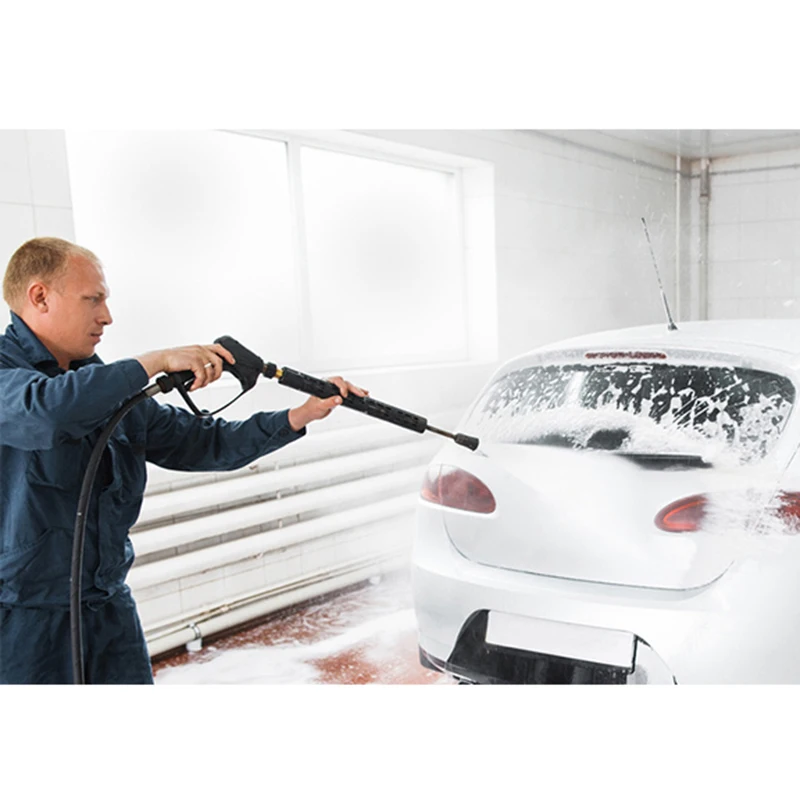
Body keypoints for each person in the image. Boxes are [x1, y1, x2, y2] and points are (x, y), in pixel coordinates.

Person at [0, 237, 368, 684]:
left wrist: (300, 414)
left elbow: (203, 442)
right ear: (40, 297)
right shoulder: (15, 378)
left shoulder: (105, 387)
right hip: (23, 625)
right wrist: (154, 360)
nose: (107, 316)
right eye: (92, 299)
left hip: (108, 610)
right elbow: (49, 412)